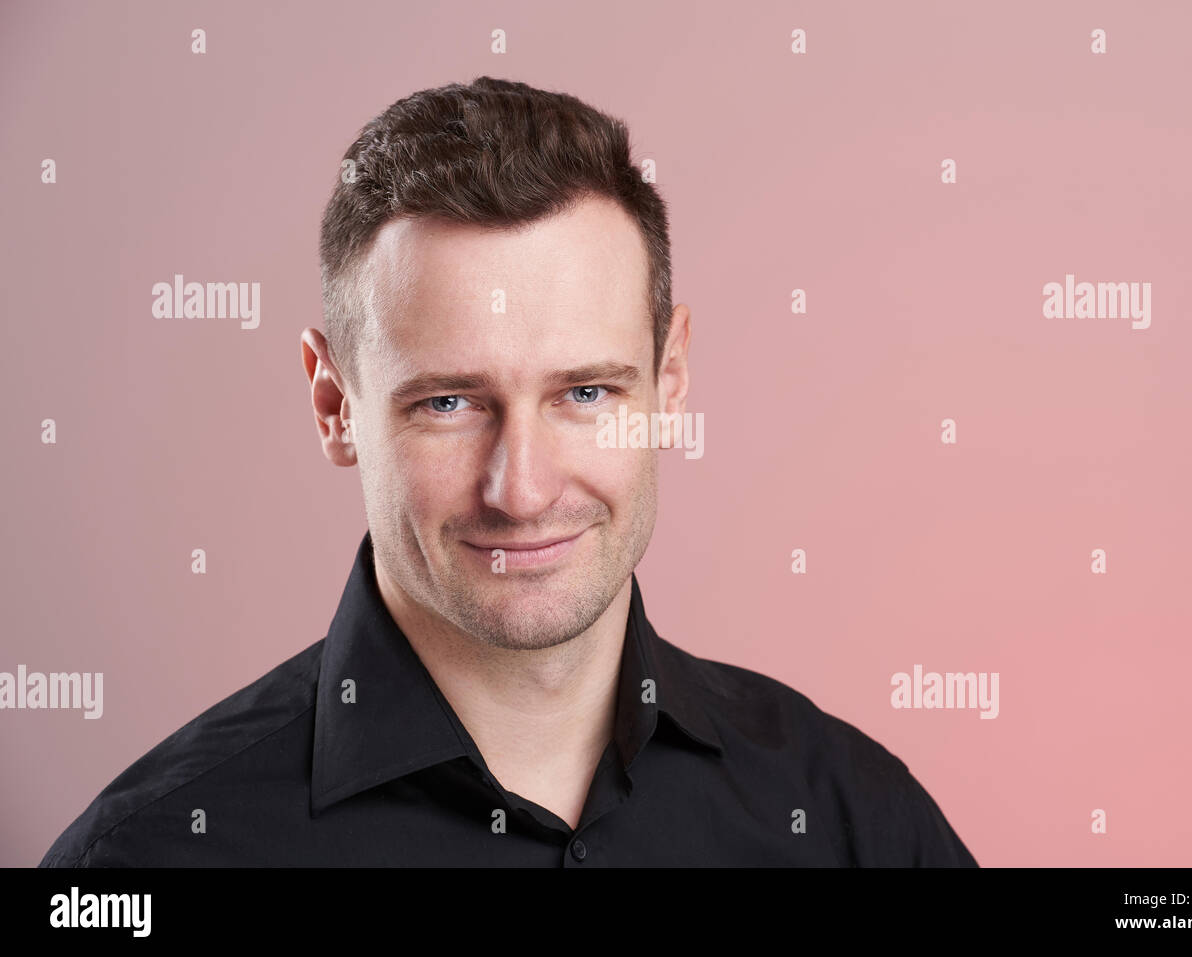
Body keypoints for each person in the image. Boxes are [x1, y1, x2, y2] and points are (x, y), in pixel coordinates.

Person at [40, 77, 977, 867]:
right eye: (448, 402)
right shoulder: (143, 861)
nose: (522, 491)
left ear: (671, 378)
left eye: (586, 394)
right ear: (335, 405)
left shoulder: (857, 824)